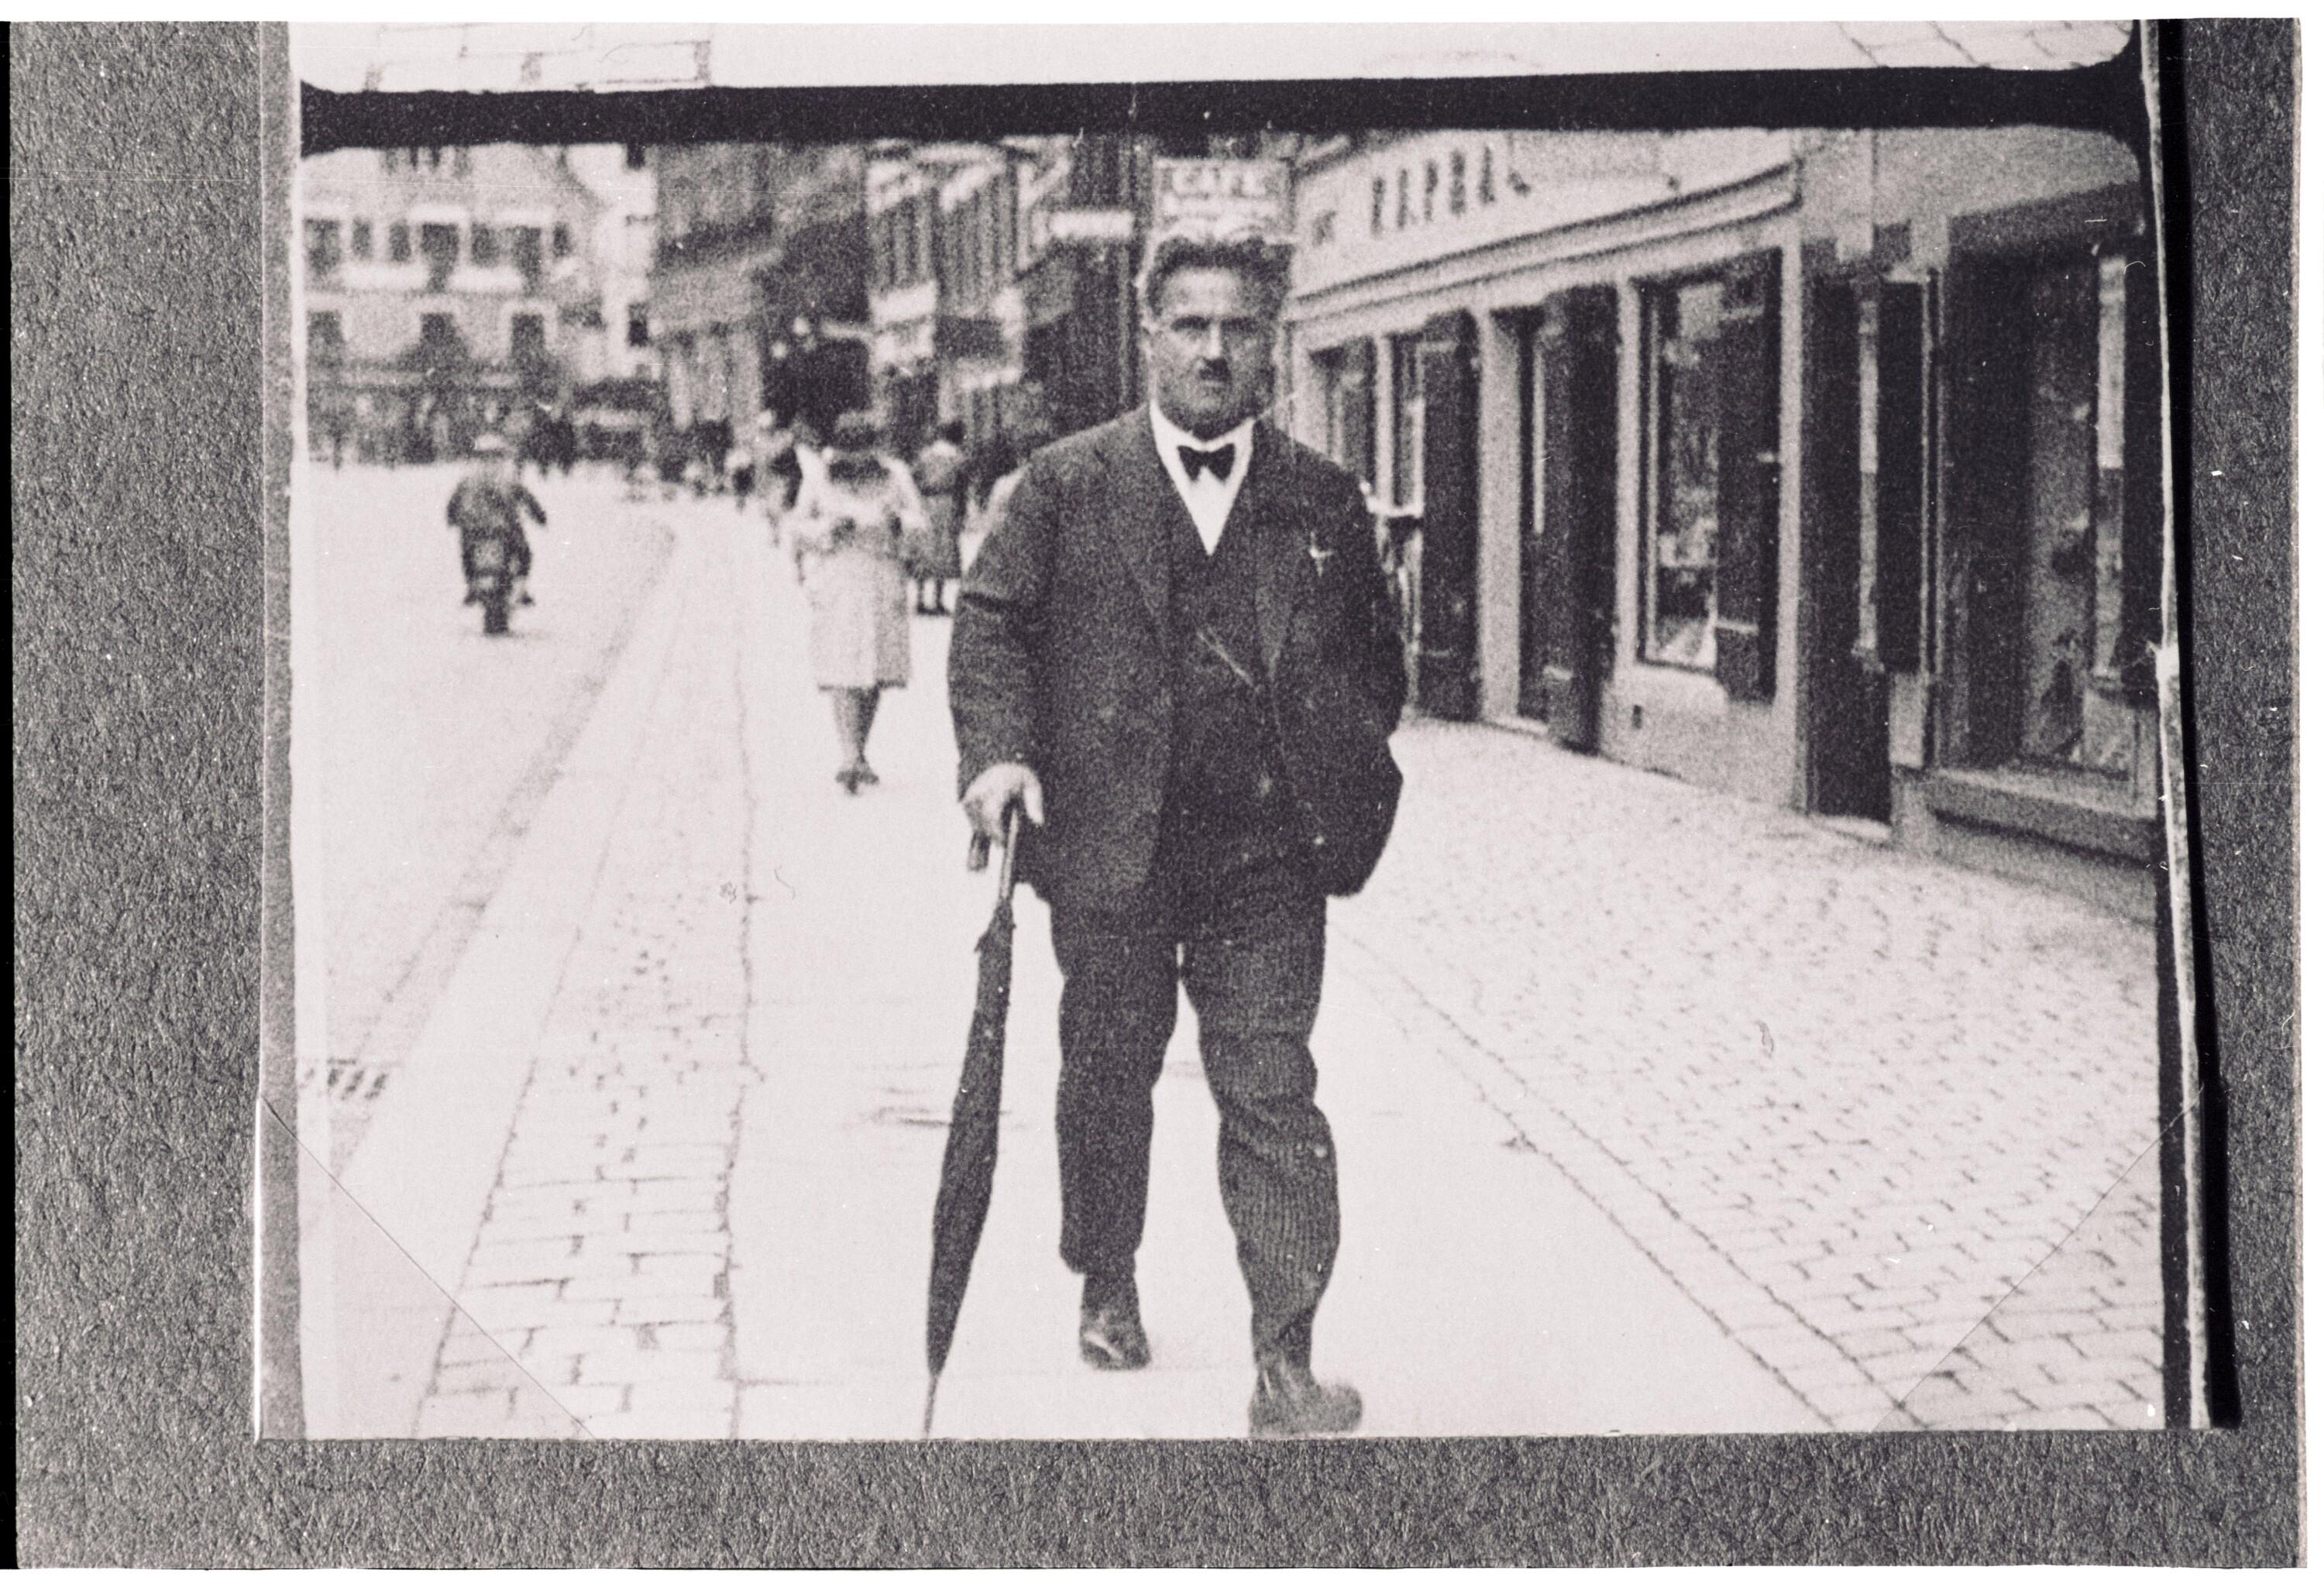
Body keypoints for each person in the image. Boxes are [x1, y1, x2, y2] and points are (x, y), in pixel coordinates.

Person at [948, 233, 1408, 1437]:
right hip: (1112, 849)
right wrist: (999, 755)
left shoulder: (1321, 496)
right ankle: (1107, 1276)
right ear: (1150, 335)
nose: (1214, 350)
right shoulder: (1066, 483)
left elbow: (1376, 661)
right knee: (1109, 1072)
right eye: (1191, 325)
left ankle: (1286, 1358)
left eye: (1239, 327)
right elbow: (991, 625)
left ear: (1272, 344)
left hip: (1266, 859)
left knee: (1273, 1088)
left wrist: (1335, 771)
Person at [792, 410, 930, 793]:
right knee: (843, 665)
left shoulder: (895, 475)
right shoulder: (819, 477)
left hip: (882, 574)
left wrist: (898, 522)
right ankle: (849, 755)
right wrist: (829, 528)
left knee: (874, 670)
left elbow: (921, 521)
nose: (856, 461)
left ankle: (860, 750)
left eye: (864, 450)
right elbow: (798, 527)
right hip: (840, 576)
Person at [445, 433, 544, 606]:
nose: (490, 462)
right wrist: (539, 516)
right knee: (522, 552)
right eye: (486, 457)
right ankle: (519, 586)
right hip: (502, 529)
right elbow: (528, 500)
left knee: (468, 552)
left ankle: (473, 586)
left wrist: (453, 518)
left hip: (479, 529)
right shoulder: (507, 479)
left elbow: (454, 504)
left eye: (494, 457)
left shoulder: (470, 480)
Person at [909, 420, 970, 616]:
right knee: (943, 550)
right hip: (946, 503)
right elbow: (962, 487)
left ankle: (920, 599)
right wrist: (961, 513)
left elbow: (913, 478)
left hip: (925, 502)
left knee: (924, 549)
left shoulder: (925, 454)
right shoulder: (958, 457)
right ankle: (938, 599)